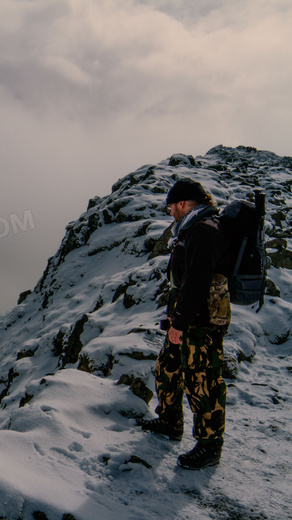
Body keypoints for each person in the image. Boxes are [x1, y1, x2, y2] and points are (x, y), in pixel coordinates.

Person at [137, 178, 232, 470]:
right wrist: (173, 317)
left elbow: (197, 283)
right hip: (185, 316)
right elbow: (182, 280)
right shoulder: (191, 228)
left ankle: (209, 445)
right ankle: (169, 421)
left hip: (202, 322)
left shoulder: (205, 230)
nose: (169, 213)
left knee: (202, 381)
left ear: (182, 203)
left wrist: (180, 322)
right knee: (168, 367)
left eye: (171, 207)